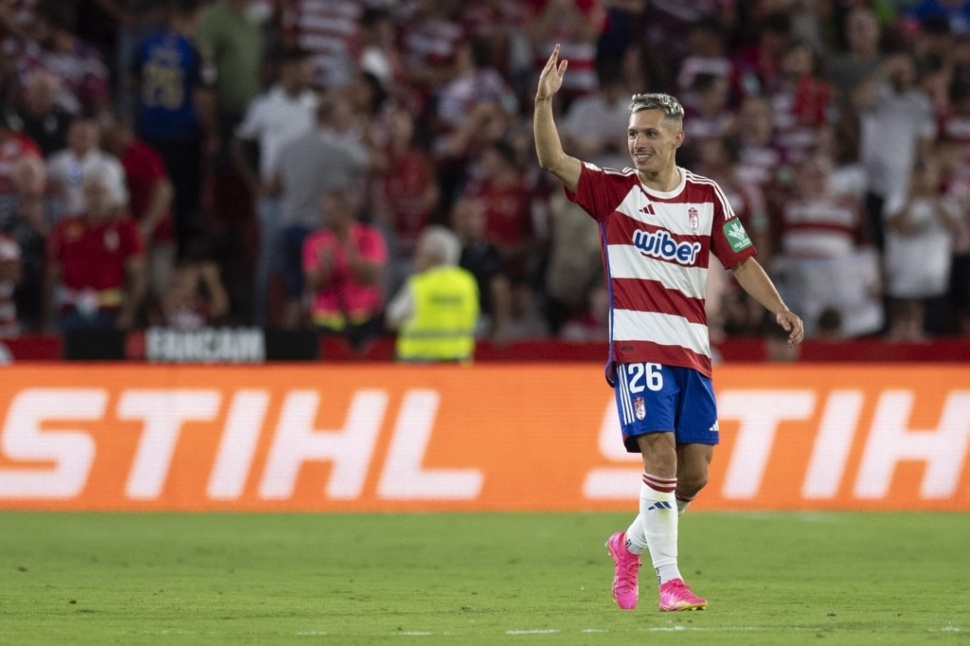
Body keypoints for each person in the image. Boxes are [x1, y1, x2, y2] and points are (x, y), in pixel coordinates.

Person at [533, 44, 804, 613]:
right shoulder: (614, 193)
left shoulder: (706, 197)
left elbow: (741, 260)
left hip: (692, 352)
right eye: (634, 133)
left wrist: (778, 307)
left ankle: (626, 544)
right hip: (639, 349)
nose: (638, 143)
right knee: (658, 457)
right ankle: (672, 582)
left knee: (695, 475)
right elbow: (554, 160)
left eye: (650, 134)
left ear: (677, 137)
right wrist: (543, 102)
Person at [302, 189, 387, 352]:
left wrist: (354, 260)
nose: (324, 216)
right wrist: (324, 268)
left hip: (364, 320)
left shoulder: (369, 237)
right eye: (324, 211)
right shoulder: (314, 242)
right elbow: (313, 286)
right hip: (327, 322)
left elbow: (373, 278)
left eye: (330, 212)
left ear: (346, 212)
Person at [385, 226, 479, 363]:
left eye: (420, 253)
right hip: (458, 364)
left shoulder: (419, 285)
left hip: (419, 365)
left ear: (434, 257)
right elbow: (473, 320)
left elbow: (391, 320)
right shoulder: (467, 283)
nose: (416, 259)